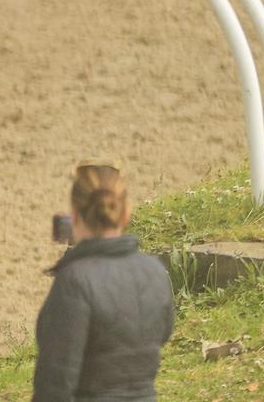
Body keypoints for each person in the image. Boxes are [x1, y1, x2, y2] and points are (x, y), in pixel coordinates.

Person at [33, 165, 174, 401]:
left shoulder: (74, 281)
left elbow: (55, 383)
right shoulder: (156, 271)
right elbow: (164, 332)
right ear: (126, 214)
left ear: (75, 216)